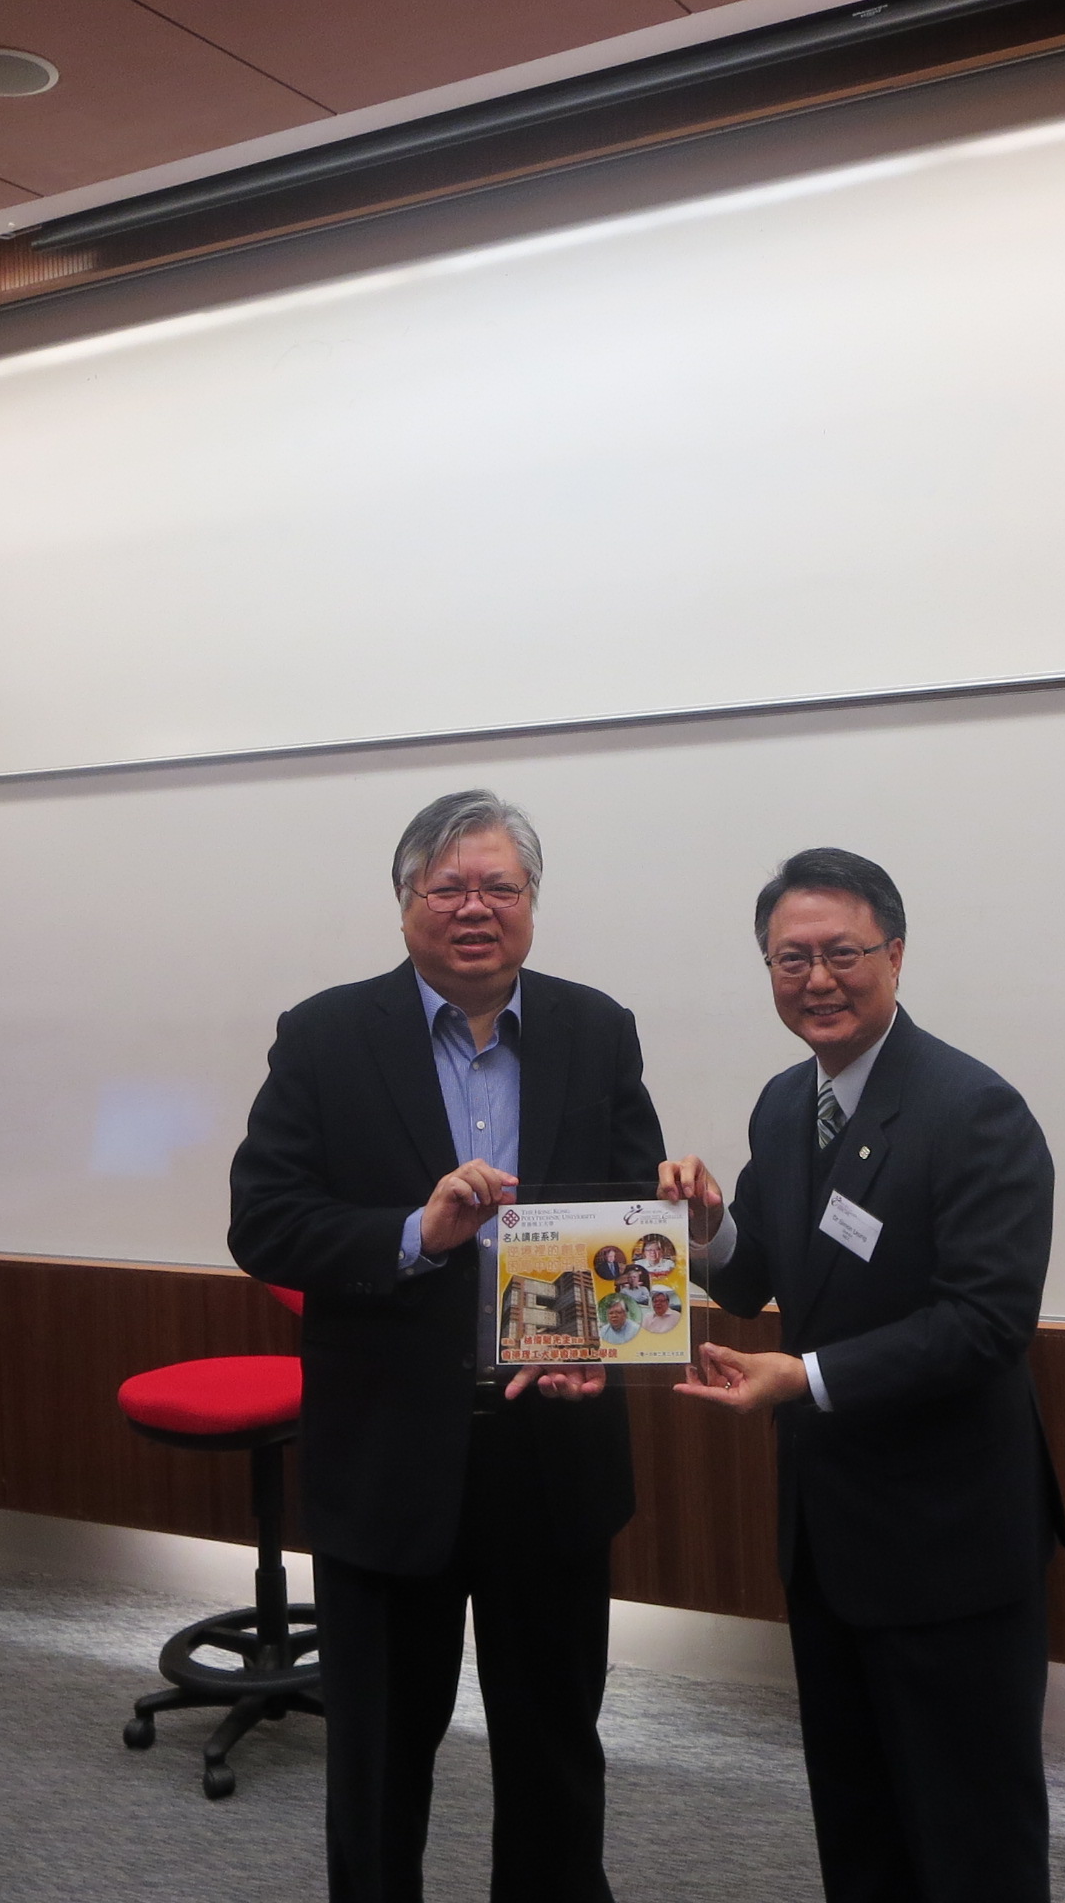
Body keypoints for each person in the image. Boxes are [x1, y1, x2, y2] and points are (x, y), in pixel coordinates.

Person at [231, 789, 665, 1903]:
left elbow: (630, 1220)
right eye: (449, 887)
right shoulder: (325, 1036)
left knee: (554, 1753)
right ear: (405, 901)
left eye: (499, 887)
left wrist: (604, 1344)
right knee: (378, 1764)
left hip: (551, 1449)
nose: (475, 908)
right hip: (388, 1457)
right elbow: (263, 1223)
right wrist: (414, 1236)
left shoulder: (596, 1029)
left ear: (530, 903)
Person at [664, 846, 1063, 1903]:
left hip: (948, 1540)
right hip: (829, 1536)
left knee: (972, 1838)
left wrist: (803, 1378)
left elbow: (987, 1322)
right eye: (789, 959)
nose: (817, 979)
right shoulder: (783, 1104)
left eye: (841, 953)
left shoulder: (972, 1109)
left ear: (894, 954)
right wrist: (705, 1227)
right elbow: (753, 1277)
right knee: (859, 1822)